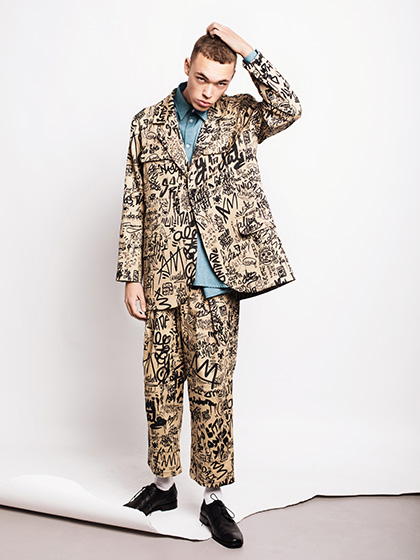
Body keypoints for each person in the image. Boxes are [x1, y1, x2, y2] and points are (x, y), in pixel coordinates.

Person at [116, 22, 302, 549]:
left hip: (218, 282)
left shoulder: (240, 116)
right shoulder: (147, 123)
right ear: (186, 67)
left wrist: (249, 51)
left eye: (220, 82)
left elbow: (289, 107)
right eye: (201, 79)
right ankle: (163, 486)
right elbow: (134, 202)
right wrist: (130, 275)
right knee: (159, 386)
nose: (208, 92)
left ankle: (214, 499)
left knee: (213, 393)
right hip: (161, 278)